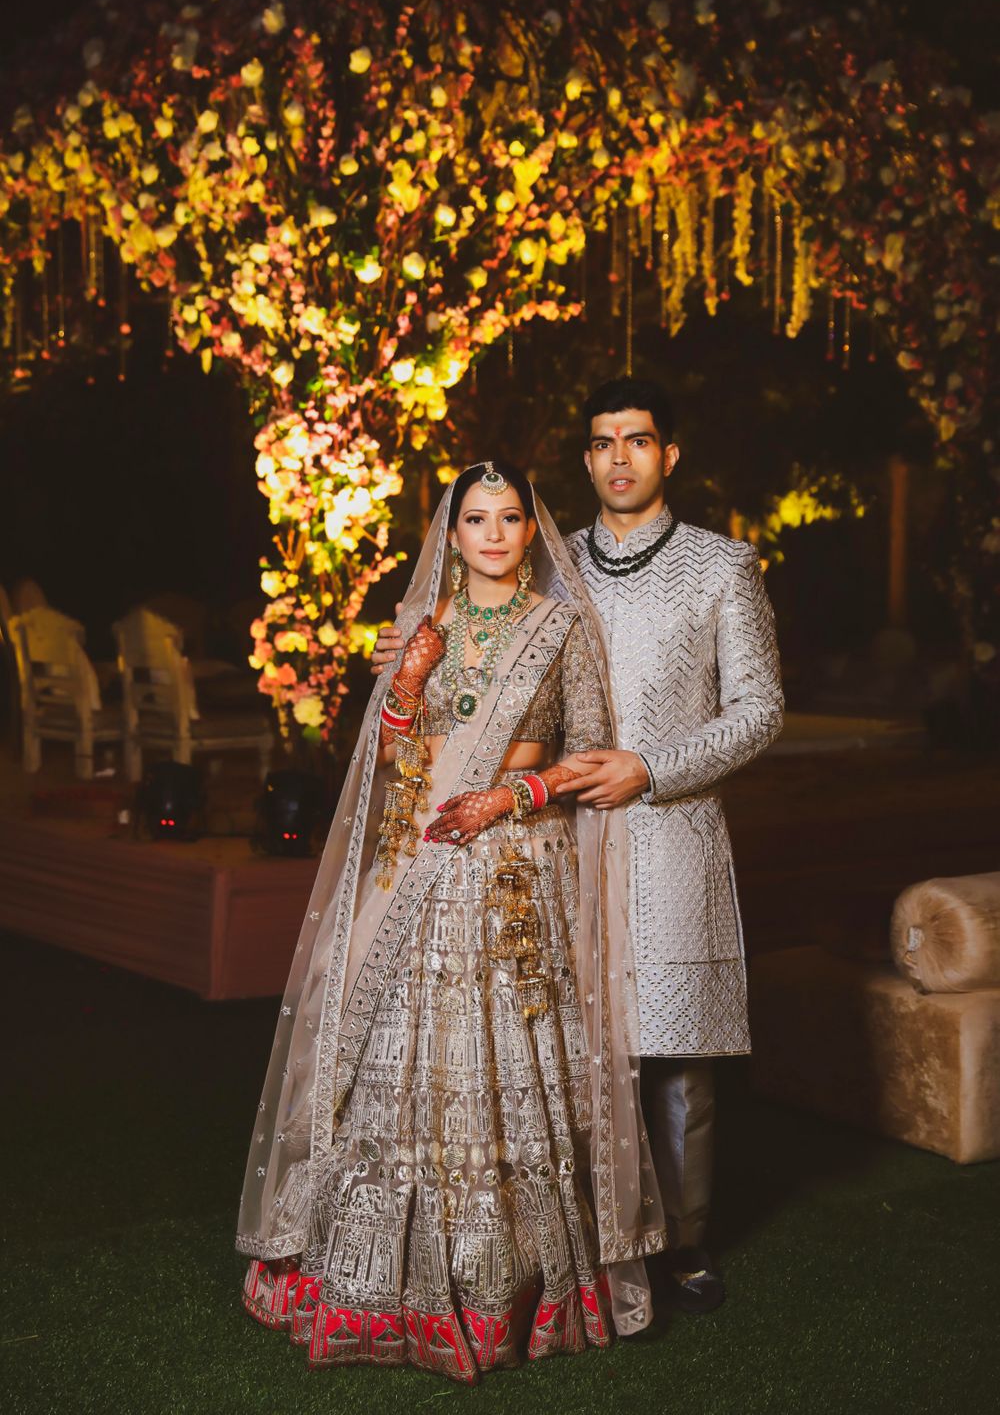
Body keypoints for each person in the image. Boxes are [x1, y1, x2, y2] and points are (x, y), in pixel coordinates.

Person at [237, 459, 666, 1385]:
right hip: (422, 861)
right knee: (395, 1061)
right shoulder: (421, 627)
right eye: (477, 519)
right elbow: (389, 757)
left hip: (513, 865)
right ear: (453, 532)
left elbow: (591, 756)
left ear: (530, 529)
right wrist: (405, 685)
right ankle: (375, 1282)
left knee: (506, 1054)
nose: (496, 535)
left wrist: (508, 794)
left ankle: (506, 1285)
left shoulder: (562, 627)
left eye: (511, 518)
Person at [374, 378, 784, 1312]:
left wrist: (653, 768)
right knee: (563, 1046)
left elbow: (760, 711)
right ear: (586, 460)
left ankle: (683, 1242)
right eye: (602, 444)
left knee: (677, 1053)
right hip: (552, 836)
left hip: (671, 830)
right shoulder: (550, 570)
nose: (620, 459)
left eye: (638, 441)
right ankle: (580, 1236)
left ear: (668, 455)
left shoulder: (724, 567)